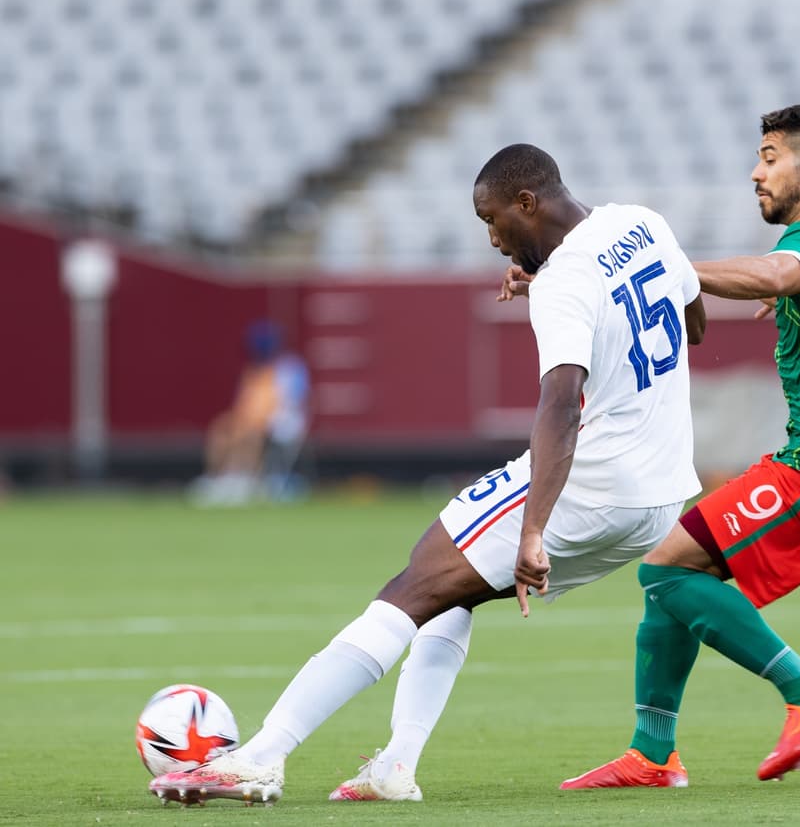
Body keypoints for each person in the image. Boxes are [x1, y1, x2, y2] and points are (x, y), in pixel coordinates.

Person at [149, 144, 706, 805]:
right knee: (452, 592)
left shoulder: (564, 282)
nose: (493, 239)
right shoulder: (642, 223)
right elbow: (693, 323)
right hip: (659, 496)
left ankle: (259, 758)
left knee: (410, 587)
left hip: (591, 481)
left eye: (492, 220)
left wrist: (532, 530)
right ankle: (394, 766)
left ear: (527, 202)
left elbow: (560, 405)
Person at [562, 103, 800, 789]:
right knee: (674, 574)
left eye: (770, 157)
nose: (756, 172)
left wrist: (666, 270)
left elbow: (777, 274)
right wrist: (799, 295)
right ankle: (651, 753)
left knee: (664, 571)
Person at [189, 319, 310, 505]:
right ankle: (219, 479)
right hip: (251, 420)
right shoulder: (253, 371)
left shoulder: (289, 368)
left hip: (279, 422)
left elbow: (290, 403)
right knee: (221, 429)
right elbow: (243, 404)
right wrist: (238, 421)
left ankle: (243, 479)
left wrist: (260, 420)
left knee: (250, 434)